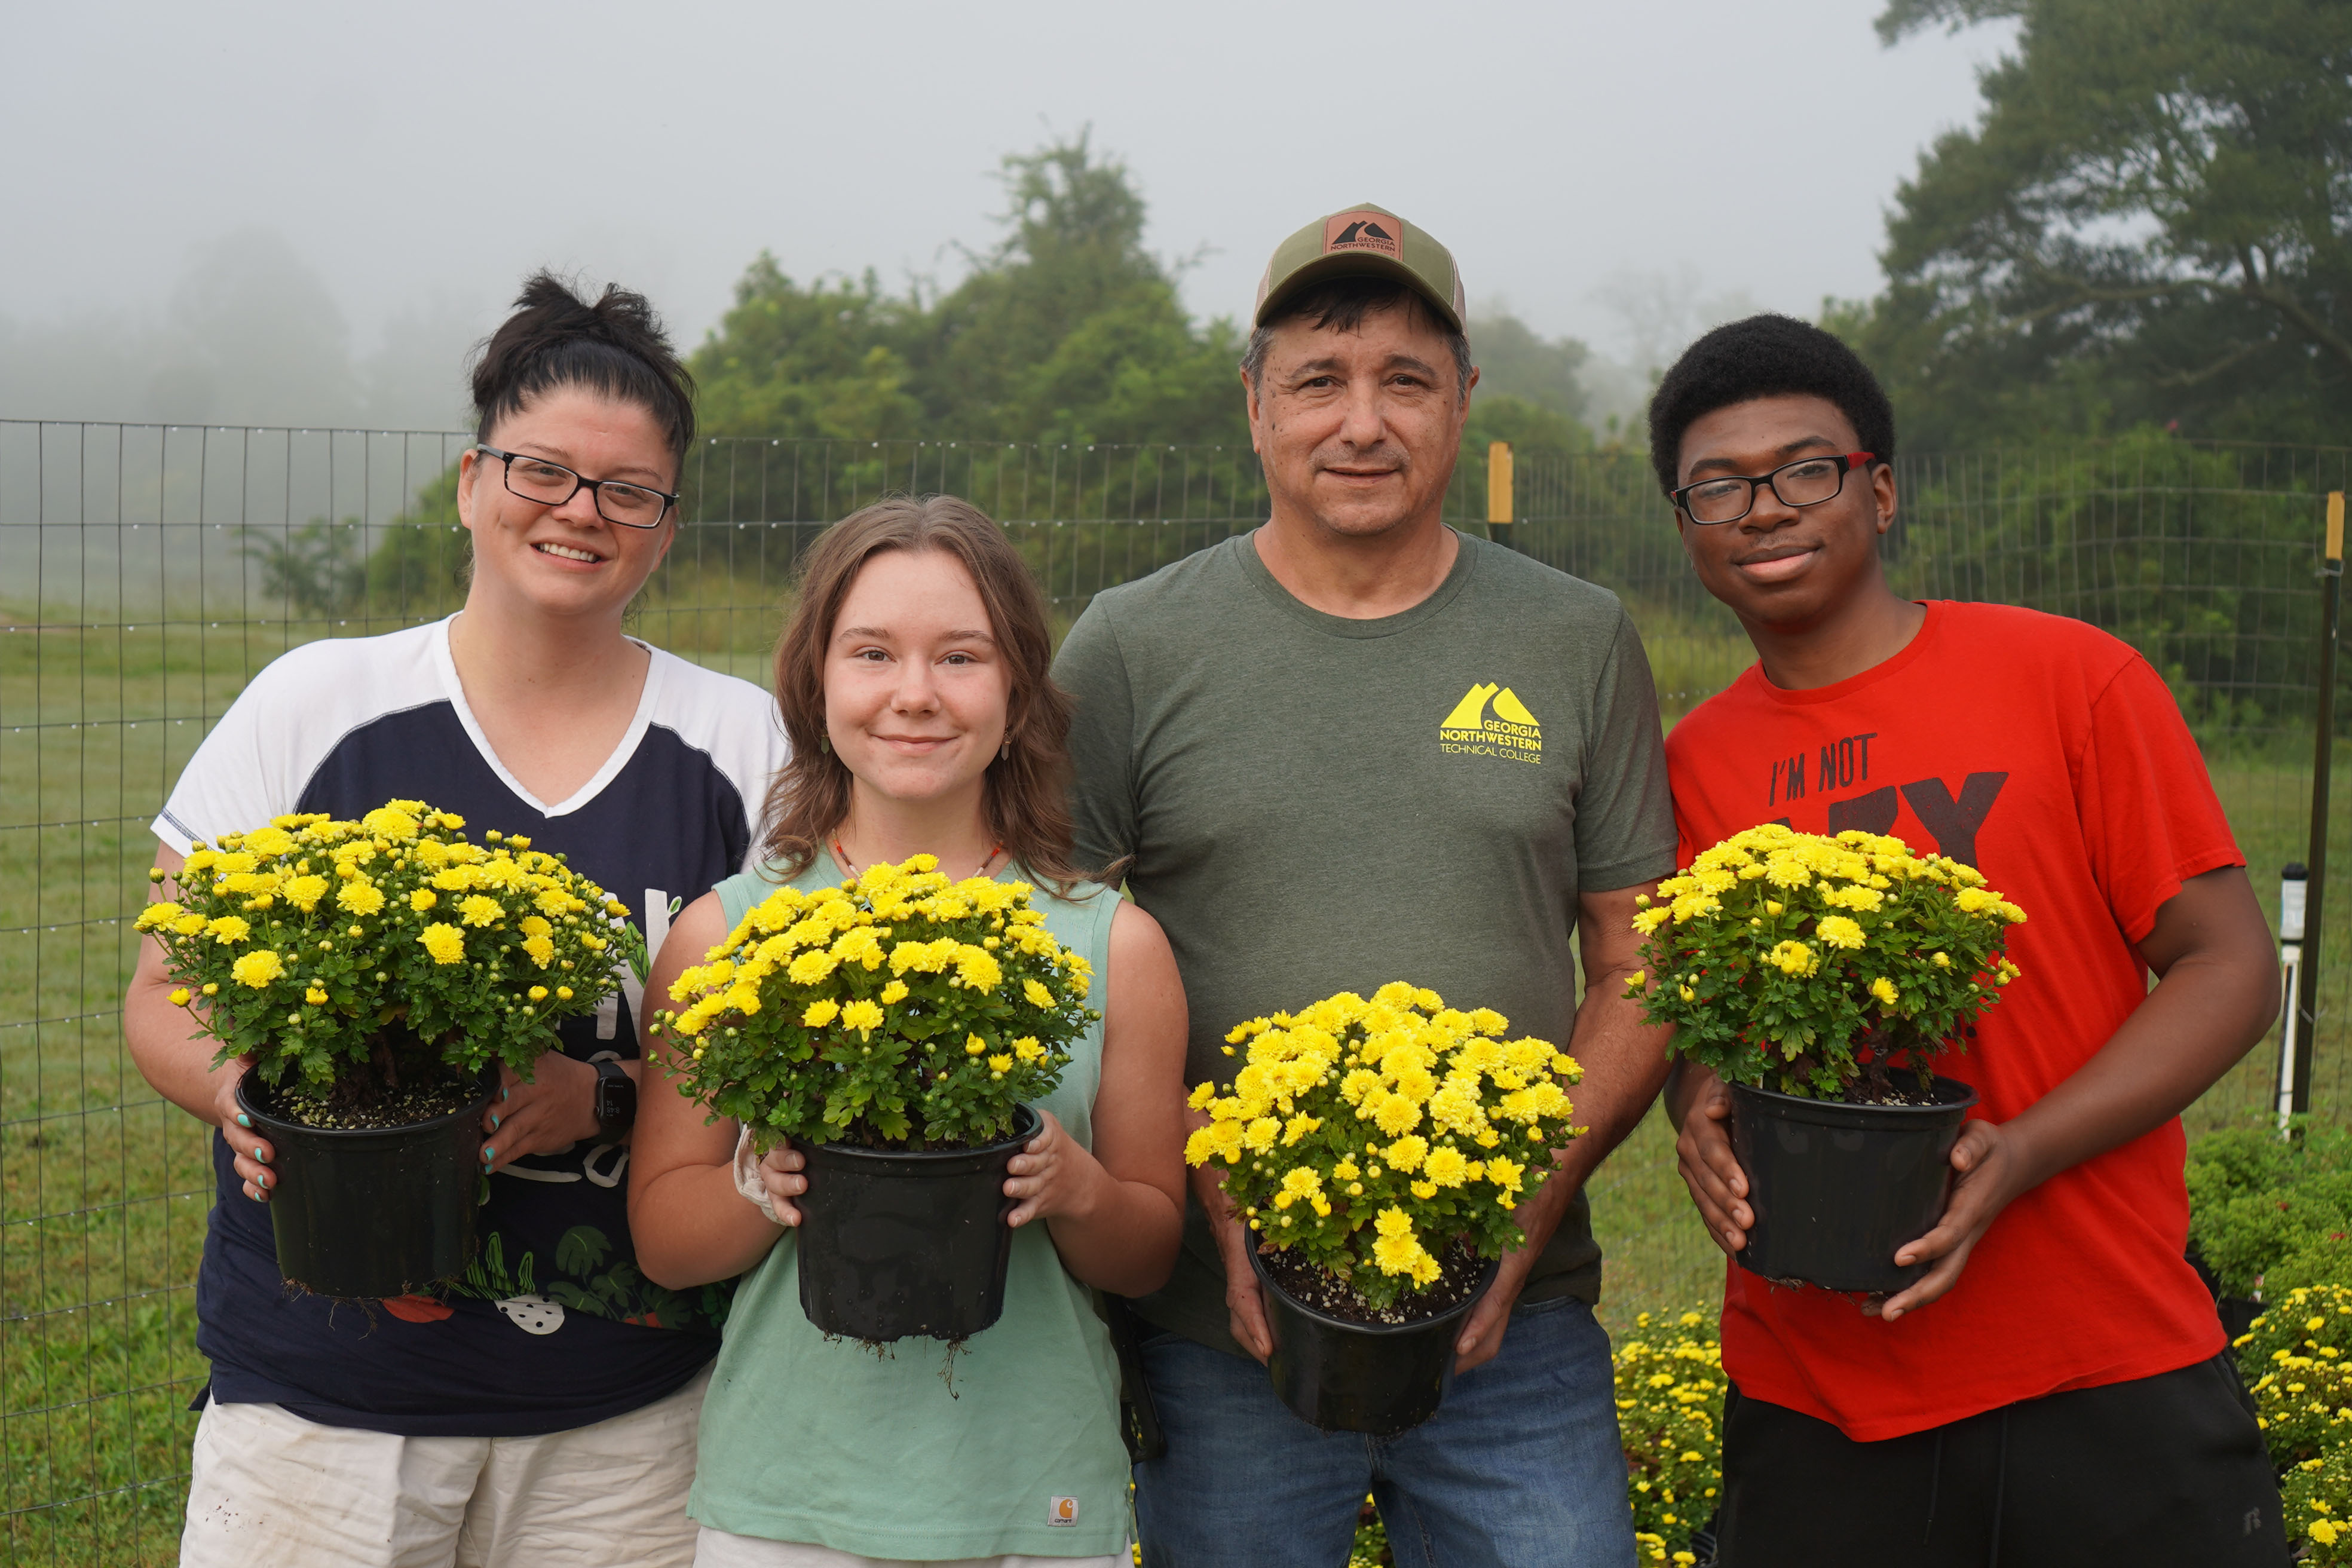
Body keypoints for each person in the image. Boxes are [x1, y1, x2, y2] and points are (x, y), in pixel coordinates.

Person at [126, 273, 788, 1567]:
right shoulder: (316, 702)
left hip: (627, 1412)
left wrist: (600, 1096)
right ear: (474, 480)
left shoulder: (740, 740)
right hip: (325, 1410)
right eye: (542, 470)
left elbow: (781, 1055)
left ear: (667, 523)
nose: (580, 513)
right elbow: (164, 994)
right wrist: (240, 1092)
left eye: (628, 489)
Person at [1051, 203, 1671, 1568]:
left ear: (1463, 403)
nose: (1362, 422)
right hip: (1226, 1328)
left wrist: (1523, 1208)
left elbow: (1641, 964)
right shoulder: (1132, 646)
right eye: (1320, 380)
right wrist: (1208, 1166)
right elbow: (1064, 961)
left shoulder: (1576, 637)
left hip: (1516, 1318)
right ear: (1255, 403)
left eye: (1406, 379)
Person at [1652, 314, 2289, 1565]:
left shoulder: (2067, 678)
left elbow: (2228, 967)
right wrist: (1699, 1104)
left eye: (1807, 469)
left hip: (2103, 1356)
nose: (1766, 508)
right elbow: (1696, 1025)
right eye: (1718, 487)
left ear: (1880, 491)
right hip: (1824, 1391)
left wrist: (2025, 1149)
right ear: (1688, 531)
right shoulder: (1691, 767)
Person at [629, 494, 1189, 1568]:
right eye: (873, 653)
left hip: (1033, 1503)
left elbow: (1150, 1251)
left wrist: (1078, 1190)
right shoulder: (726, 933)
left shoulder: (1115, 947)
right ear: (816, 681)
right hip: (788, 1507)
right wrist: (755, 1188)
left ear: (1018, 689)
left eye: (962, 657)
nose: (915, 696)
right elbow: (664, 1237)